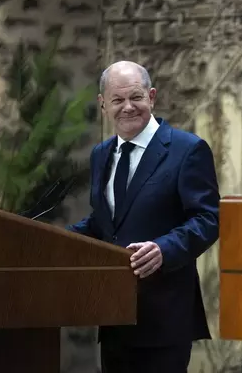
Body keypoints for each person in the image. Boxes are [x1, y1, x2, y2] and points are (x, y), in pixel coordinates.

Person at [67, 61, 220, 373]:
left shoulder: (187, 149)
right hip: (114, 317)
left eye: (136, 97)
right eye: (117, 100)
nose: (128, 107)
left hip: (164, 318)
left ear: (151, 96)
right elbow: (106, 223)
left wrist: (165, 249)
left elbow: (209, 218)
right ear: (102, 105)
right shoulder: (102, 154)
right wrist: (59, 240)